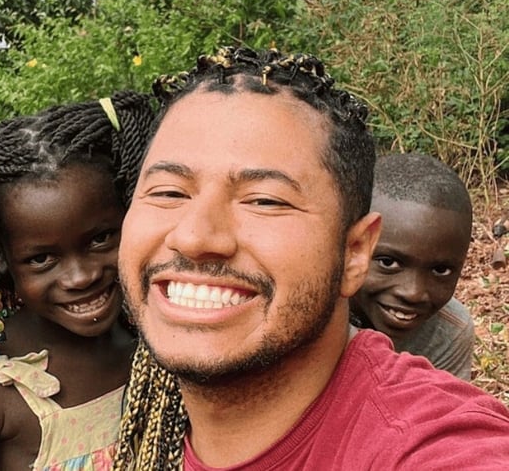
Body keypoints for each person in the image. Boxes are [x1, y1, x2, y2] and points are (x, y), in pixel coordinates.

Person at [113, 46, 509, 469]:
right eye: (169, 192)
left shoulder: (429, 445)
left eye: (264, 200)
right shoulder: (149, 427)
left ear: (355, 253)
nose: (193, 236)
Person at [0, 92, 155, 470]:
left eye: (101, 239)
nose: (82, 276)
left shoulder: (151, 339)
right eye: (42, 259)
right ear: (0, 258)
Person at [350, 153, 475, 380]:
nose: (414, 293)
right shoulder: (306, 311)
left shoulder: (447, 332)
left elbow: (438, 411)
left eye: (441, 270)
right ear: (352, 247)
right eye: (388, 263)